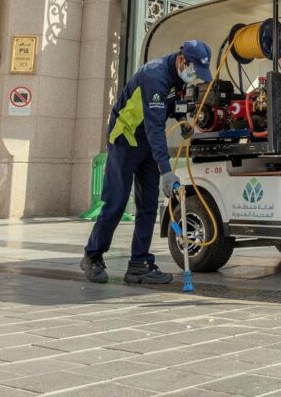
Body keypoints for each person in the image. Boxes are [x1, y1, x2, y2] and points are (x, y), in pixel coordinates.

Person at [81, 40, 213, 285]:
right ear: (183, 60)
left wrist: (183, 118)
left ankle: (139, 264)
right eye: (194, 70)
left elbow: (170, 105)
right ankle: (92, 255)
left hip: (148, 144)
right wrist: (166, 170)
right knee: (117, 202)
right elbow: (154, 127)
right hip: (126, 138)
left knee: (149, 205)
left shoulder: (178, 78)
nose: (194, 77)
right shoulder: (155, 75)